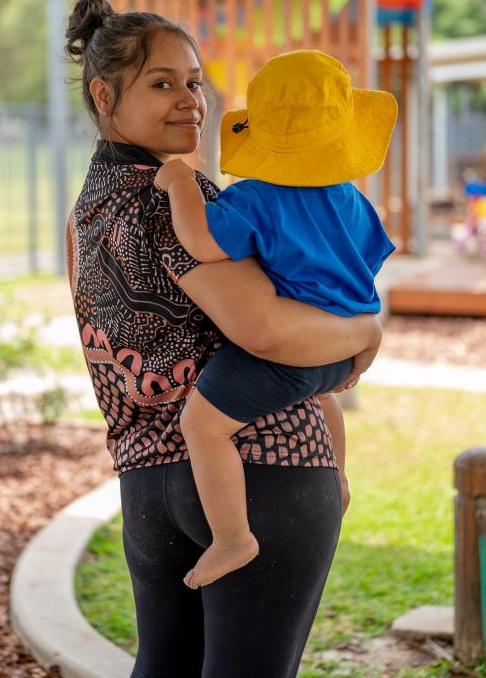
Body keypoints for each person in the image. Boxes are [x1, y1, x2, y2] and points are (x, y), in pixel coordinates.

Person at [64, 0, 384, 678]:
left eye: (194, 81)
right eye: (162, 83)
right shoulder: (179, 197)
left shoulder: (86, 211)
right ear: (103, 93)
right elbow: (264, 329)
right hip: (266, 467)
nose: (190, 100)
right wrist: (364, 327)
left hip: (146, 481)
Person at [155, 50, 397, 590]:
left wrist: (179, 183)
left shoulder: (254, 199)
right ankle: (337, 477)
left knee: (203, 424)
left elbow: (198, 241)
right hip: (339, 349)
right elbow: (370, 260)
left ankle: (232, 535)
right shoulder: (354, 201)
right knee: (321, 396)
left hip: (286, 352)